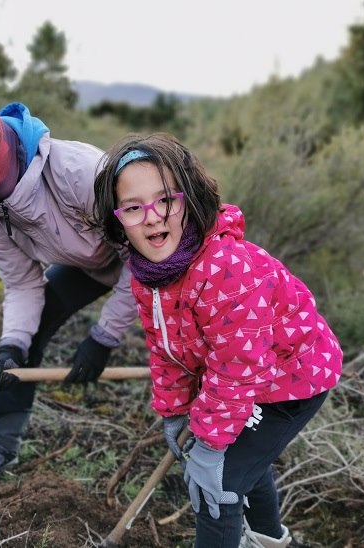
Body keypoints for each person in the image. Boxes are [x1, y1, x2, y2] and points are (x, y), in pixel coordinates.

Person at [91, 133, 343, 548]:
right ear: (117, 218)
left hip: (294, 376)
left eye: (165, 200)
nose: (152, 217)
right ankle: (270, 539)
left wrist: (208, 442)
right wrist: (175, 409)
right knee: (243, 461)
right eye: (133, 208)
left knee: (218, 480)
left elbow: (237, 369)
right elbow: (166, 350)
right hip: (247, 377)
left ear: (188, 199)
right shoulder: (147, 276)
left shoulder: (225, 269)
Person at [0, 96, 138, 493]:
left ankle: (209, 431)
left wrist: (104, 336)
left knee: (180, 342)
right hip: (89, 261)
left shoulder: (82, 172)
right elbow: (22, 282)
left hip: (154, 260)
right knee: (30, 334)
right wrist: (12, 346)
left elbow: (145, 258)